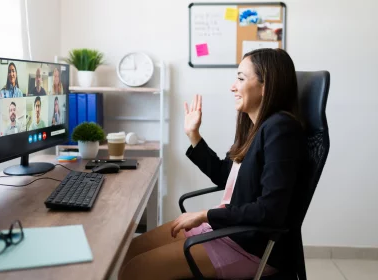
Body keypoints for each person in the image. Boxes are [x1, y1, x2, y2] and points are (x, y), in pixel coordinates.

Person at [118, 48, 308, 280]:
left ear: (265, 86)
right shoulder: (255, 127)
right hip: (228, 230)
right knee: (129, 251)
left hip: (249, 247)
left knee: (134, 270)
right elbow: (224, 176)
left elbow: (270, 211)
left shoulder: (281, 129)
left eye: (240, 78)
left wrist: (205, 215)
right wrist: (193, 135)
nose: (233, 86)